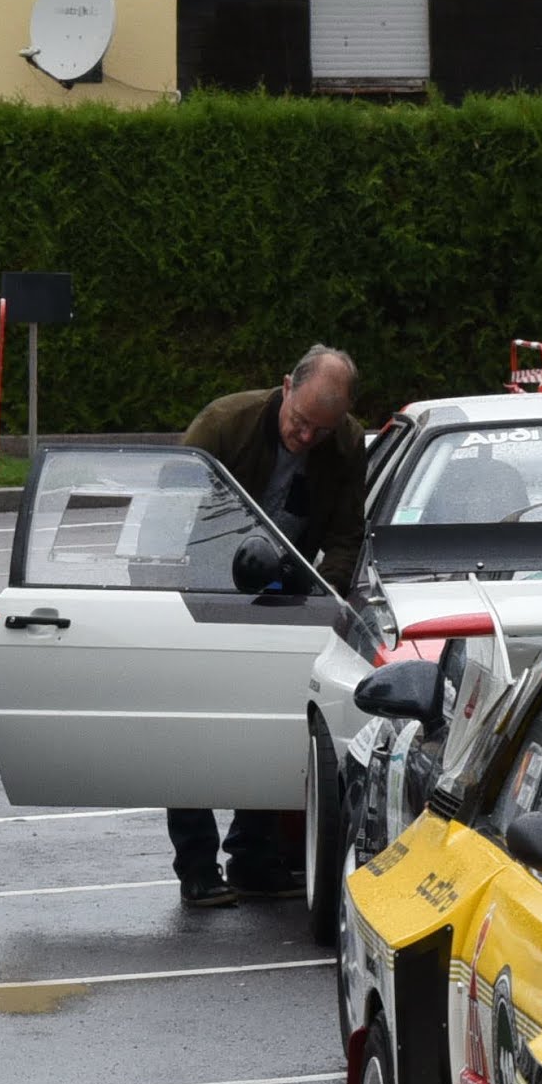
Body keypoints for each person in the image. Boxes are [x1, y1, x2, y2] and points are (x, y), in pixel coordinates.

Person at [169, 344, 367, 905]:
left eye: (320, 431)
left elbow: (346, 534)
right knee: (192, 730)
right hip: (203, 594)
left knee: (270, 721)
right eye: (300, 422)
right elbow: (169, 510)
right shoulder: (221, 424)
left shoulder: (346, 443)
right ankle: (196, 867)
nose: (306, 438)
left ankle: (253, 857)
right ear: (285, 387)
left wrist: (328, 602)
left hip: (283, 599)